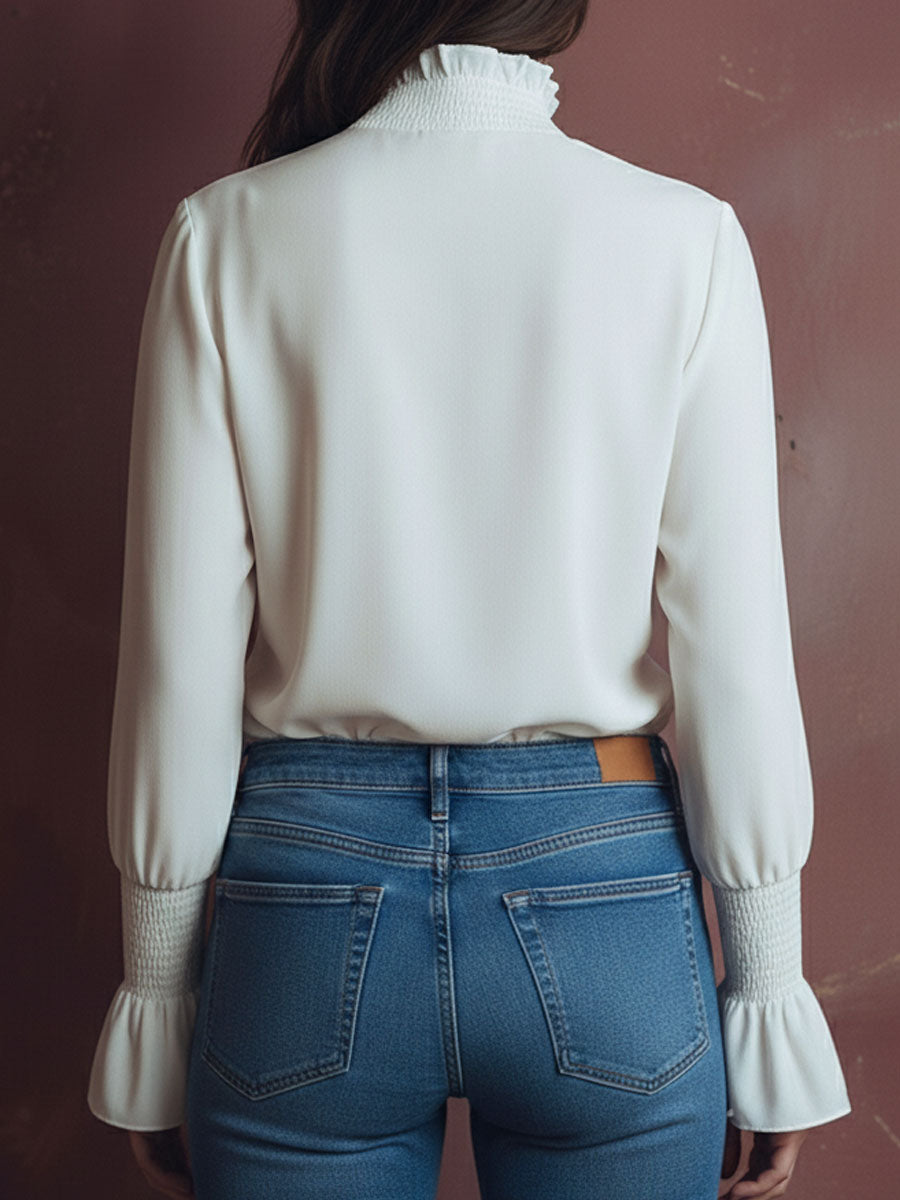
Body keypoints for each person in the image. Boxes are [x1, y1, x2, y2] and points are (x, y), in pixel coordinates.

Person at [86, 3, 852, 1198]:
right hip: (602, 889)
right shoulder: (683, 237)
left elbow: (178, 664)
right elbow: (736, 654)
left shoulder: (225, 234)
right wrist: (767, 992)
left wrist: (157, 992)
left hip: (306, 896)